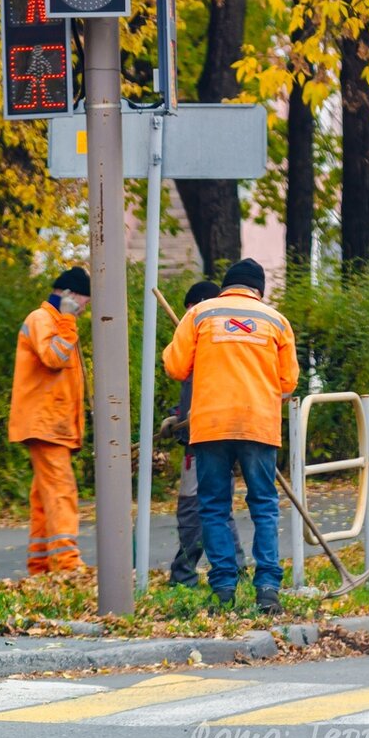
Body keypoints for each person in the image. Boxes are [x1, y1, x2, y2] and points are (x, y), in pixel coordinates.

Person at [162, 258, 298, 613]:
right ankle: (268, 588)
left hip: (211, 425)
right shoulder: (276, 321)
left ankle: (223, 589)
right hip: (259, 425)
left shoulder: (200, 315)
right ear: (259, 290)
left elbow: (176, 367)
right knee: (264, 507)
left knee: (214, 507)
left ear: (226, 286)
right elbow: (289, 382)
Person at [160, 280, 247, 588]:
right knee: (215, 506)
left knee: (196, 509)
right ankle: (235, 570)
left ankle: (186, 574)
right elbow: (193, 387)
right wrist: (177, 414)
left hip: (205, 437)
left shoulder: (206, 337)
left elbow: (201, 384)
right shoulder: (222, 338)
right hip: (213, 433)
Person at [8, 266, 90, 574]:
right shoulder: (44, 320)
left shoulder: (53, 322)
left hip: (49, 423)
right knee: (61, 490)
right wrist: (68, 320)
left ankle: (41, 563)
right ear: (70, 295)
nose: (84, 310)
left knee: (44, 496)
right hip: (45, 423)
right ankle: (67, 564)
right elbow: (54, 359)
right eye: (84, 302)